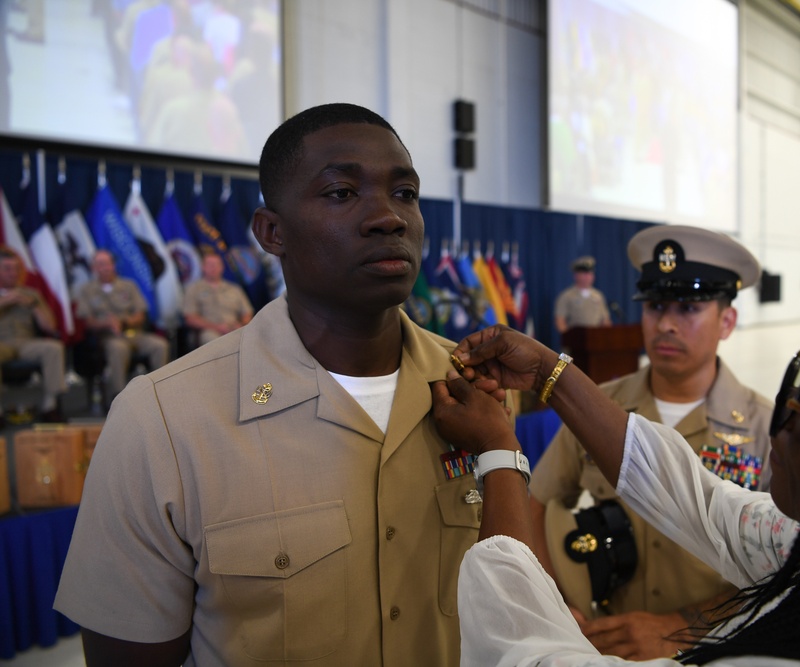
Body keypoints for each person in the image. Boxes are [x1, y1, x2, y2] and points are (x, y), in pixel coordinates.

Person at [55, 103, 490, 666]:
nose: (389, 217)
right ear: (272, 232)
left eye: (405, 192)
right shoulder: (161, 420)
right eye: (341, 193)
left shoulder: (473, 385)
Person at [431, 252, 800, 666]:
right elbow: (708, 505)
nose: (792, 410)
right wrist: (552, 375)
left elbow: (531, 658)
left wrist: (499, 453)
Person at [529, 225, 773, 659]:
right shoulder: (599, 408)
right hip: (609, 649)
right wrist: (556, 605)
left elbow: (786, 569)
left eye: (687, 308)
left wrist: (684, 627)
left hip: (715, 652)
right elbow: (535, 502)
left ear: (728, 321)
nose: (665, 324)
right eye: (656, 306)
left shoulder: (767, 429)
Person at [72, 249, 169, 403]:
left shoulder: (128, 286)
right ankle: (119, 397)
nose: (104, 267)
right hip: (107, 337)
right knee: (118, 348)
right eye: (100, 264)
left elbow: (140, 314)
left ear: (113, 265)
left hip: (134, 333)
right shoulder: (87, 290)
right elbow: (87, 321)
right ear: (94, 268)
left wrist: (123, 322)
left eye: (107, 263)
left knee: (159, 345)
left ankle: (161, 393)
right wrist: (107, 323)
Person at [0, 248, 66, 423]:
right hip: (2, 344)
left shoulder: (30, 294)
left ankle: (50, 406)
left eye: (16, 269)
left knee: (53, 348)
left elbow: (50, 327)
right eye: (7, 269)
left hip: (26, 342)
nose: (12, 273)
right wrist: (6, 301)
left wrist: (34, 306)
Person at [182, 252, 254, 347]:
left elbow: (247, 313)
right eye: (210, 265)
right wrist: (217, 327)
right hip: (209, 330)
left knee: (251, 340)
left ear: (222, 267)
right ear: (203, 267)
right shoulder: (194, 289)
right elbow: (190, 318)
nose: (213, 268)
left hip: (234, 328)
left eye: (216, 265)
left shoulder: (234, 289)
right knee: (213, 341)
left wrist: (241, 325)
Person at [554, 255, 611, 333]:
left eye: (590, 274)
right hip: (575, 340)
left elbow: (605, 320)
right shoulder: (567, 296)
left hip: (596, 339)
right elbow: (560, 321)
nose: (588, 277)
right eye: (584, 274)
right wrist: (568, 337)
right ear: (576, 275)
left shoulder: (598, 296)